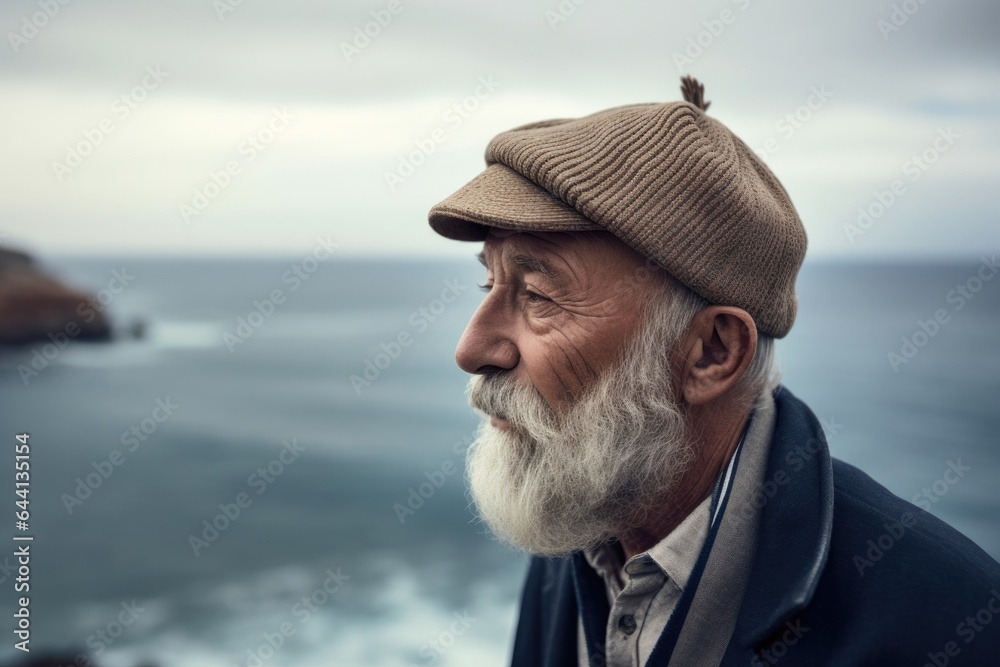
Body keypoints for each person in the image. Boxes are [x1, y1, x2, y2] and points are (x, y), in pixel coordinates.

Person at [426, 77, 1000, 667]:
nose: (471, 349)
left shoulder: (948, 625)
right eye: (488, 282)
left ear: (712, 353)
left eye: (539, 297)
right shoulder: (575, 521)